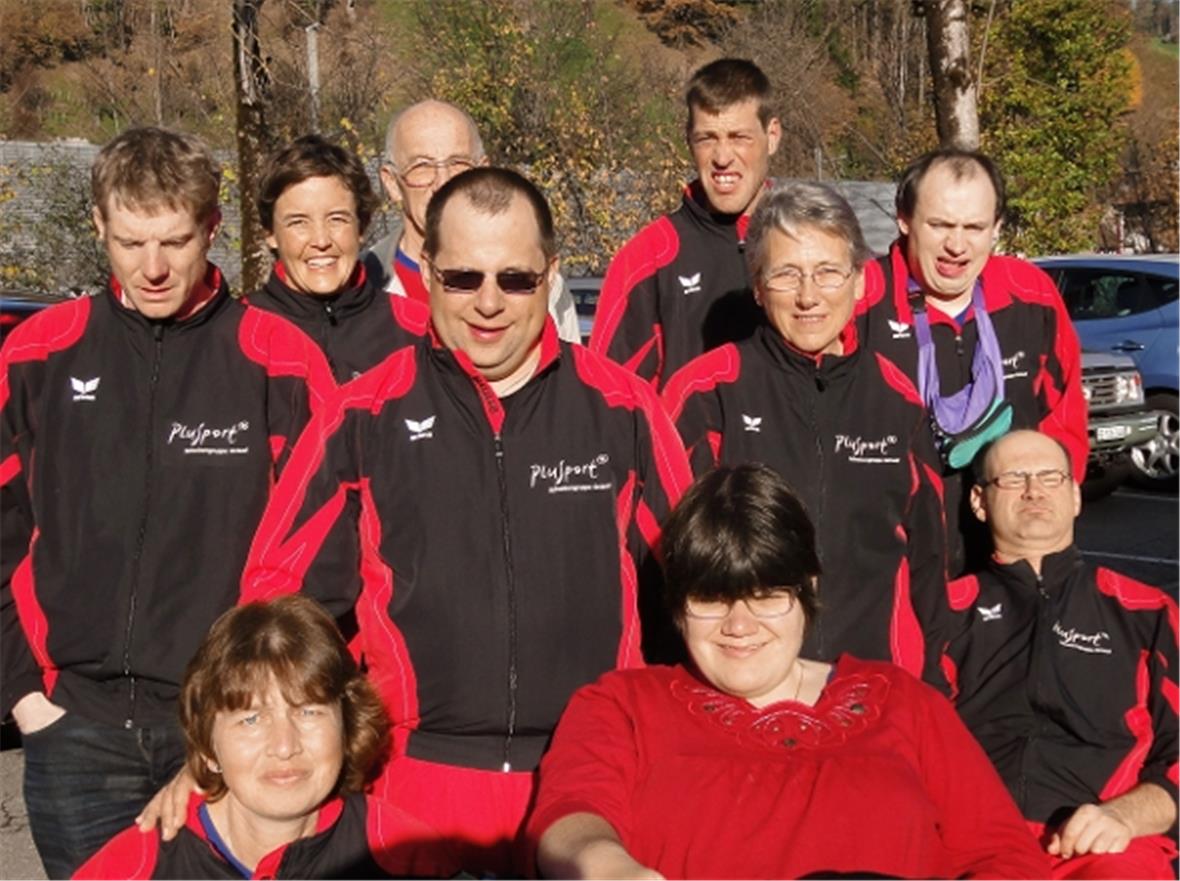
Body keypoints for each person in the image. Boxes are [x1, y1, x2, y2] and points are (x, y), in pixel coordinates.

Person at [242, 166, 692, 876]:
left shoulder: (625, 409)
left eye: (514, 279)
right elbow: (277, 608)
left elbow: (697, 593)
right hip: (415, 785)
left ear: (549, 274)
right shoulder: (362, 415)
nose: (489, 303)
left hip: (596, 780)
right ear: (426, 276)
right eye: (462, 278)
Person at [0, 126, 333, 879]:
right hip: (72, 731)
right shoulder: (38, 355)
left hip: (226, 726)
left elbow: (318, 554)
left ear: (212, 229)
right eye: (129, 242)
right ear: (98, 226)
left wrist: (246, 712)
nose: (152, 268)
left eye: (175, 241)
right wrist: (23, 695)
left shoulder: (278, 359)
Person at [527, 463, 1050, 879]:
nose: (739, 624)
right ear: (677, 605)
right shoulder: (623, 705)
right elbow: (570, 816)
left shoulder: (901, 701)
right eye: (711, 598)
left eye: (766, 596)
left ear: (808, 593)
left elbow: (1003, 854)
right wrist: (606, 866)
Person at [662, 181, 948, 686]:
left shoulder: (897, 399)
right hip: (742, 690)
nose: (809, 296)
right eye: (787, 275)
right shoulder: (708, 392)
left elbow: (929, 562)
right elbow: (670, 561)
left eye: (828, 272)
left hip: (873, 689)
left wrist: (931, 689)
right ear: (756, 285)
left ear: (860, 282)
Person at [74, 595, 459, 879]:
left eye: (309, 712)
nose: (284, 745)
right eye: (251, 720)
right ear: (208, 747)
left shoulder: (400, 849)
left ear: (348, 726)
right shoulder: (142, 865)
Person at [945, 429, 1178, 880]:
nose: (1034, 490)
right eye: (1013, 479)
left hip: (1108, 847)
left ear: (1074, 496)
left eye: (1050, 477)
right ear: (978, 501)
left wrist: (1124, 817)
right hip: (976, 847)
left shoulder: (1145, 612)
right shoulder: (945, 613)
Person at [857, 148, 1087, 573]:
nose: (957, 246)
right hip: (893, 564)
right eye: (940, 225)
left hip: (1012, 562)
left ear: (996, 227)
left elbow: (1064, 419)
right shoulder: (861, 299)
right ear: (904, 219)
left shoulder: (1030, 293)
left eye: (974, 227)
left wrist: (1047, 527)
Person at [589, 58, 781, 388]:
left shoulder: (810, 247)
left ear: (772, 136)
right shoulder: (648, 258)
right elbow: (607, 398)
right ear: (688, 140)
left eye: (739, 137)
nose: (722, 157)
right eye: (707, 138)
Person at [370, 98, 580, 342]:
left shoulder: (543, 287)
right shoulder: (360, 290)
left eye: (458, 164)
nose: (443, 183)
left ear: (483, 171)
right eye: (422, 167)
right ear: (392, 183)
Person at [247, 134, 429, 384]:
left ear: (361, 227)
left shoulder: (415, 330)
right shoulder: (235, 332)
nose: (321, 241)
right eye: (299, 222)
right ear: (270, 234)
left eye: (337, 219)